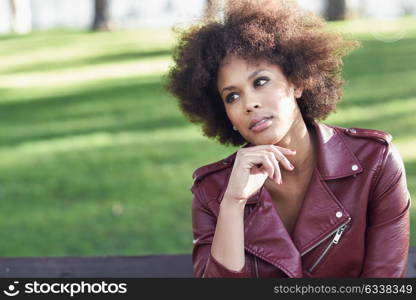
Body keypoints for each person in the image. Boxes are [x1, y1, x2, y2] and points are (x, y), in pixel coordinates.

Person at [165, 0, 411, 277]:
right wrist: (233, 203)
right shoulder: (213, 191)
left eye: (260, 82)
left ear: (296, 81)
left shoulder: (373, 161)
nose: (249, 104)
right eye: (232, 96)